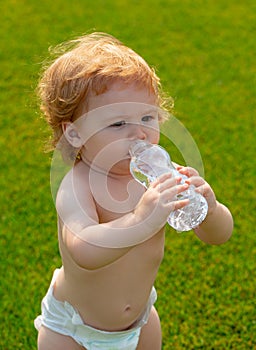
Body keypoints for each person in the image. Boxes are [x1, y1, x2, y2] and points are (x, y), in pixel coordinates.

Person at [34, 32, 233, 350]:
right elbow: (83, 250)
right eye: (117, 124)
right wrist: (141, 219)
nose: (139, 132)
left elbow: (218, 235)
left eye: (147, 117)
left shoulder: (155, 177)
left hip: (140, 323)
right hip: (72, 331)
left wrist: (208, 206)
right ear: (74, 134)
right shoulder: (78, 184)